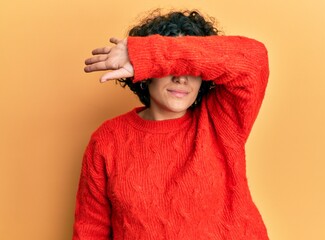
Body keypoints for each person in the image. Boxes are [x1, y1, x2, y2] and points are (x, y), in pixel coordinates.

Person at [73, 9, 270, 240]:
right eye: (169, 68)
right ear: (148, 74)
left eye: (190, 68)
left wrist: (150, 53)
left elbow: (254, 61)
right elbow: (90, 230)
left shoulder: (220, 119)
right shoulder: (108, 139)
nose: (181, 78)